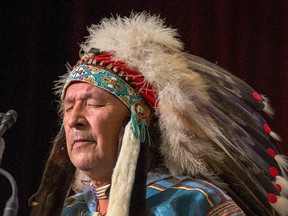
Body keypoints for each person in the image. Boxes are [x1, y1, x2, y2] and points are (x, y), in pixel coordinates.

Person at [29, 12, 288, 216]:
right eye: (68, 107)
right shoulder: (71, 210)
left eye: (94, 103)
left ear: (138, 118)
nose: (74, 119)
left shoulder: (190, 202)